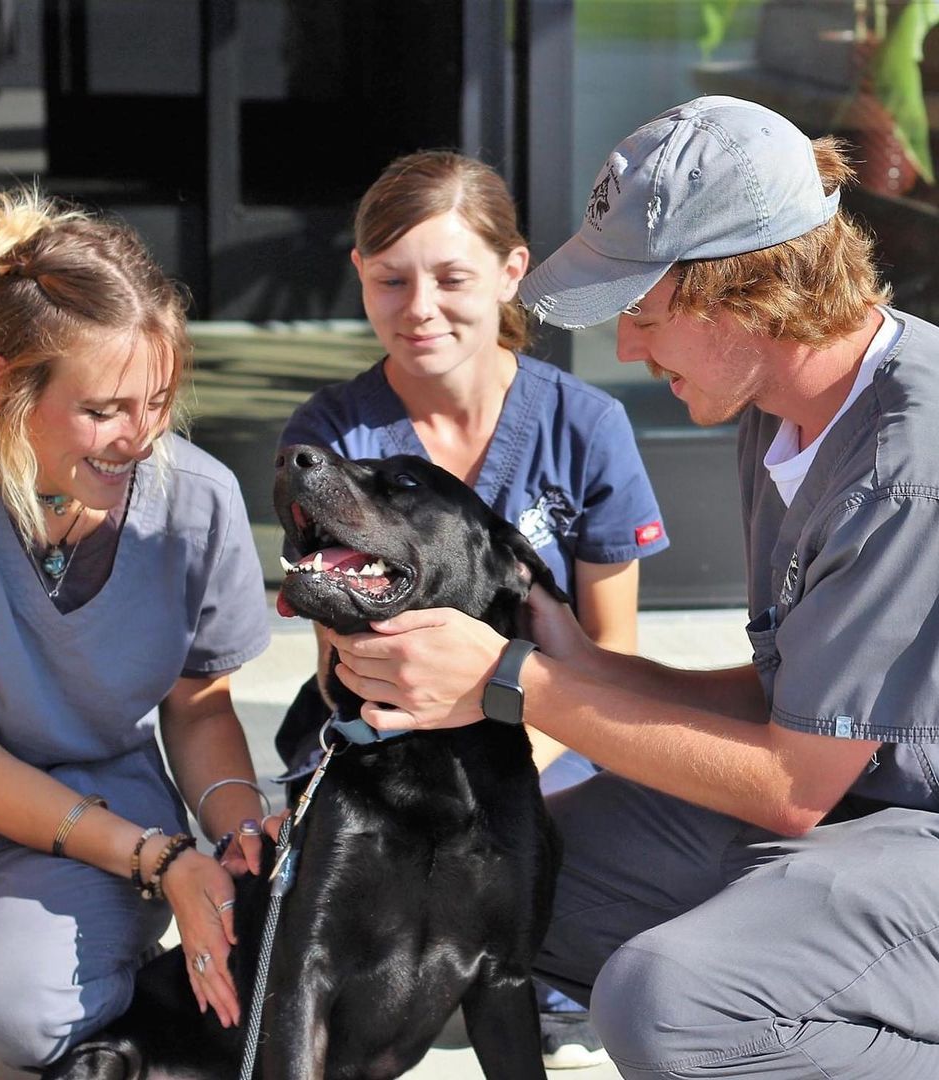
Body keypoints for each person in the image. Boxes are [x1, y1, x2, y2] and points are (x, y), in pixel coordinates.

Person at [326, 95, 939, 1079]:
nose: (625, 351)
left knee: (668, 1001)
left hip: (905, 831)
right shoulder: (779, 408)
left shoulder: (907, 466)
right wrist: (578, 663)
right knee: (510, 881)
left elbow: (793, 784)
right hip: (864, 804)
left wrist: (508, 680)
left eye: (645, 316)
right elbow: (803, 706)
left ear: (748, 296)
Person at [0, 189, 273, 1079]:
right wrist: (162, 860)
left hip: (99, 810)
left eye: (158, 400)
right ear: (2, 383)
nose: (142, 436)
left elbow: (199, 712)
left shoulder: (200, 503)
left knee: (14, 1017)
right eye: (105, 410)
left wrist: (239, 834)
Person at [277, 149, 669, 1069]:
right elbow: (339, 665)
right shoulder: (332, 439)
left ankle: (528, 962)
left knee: (579, 827)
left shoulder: (587, 428)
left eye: (452, 278)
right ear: (360, 280)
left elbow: (608, 651)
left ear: (512, 272)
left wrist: (504, 756)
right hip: (385, 741)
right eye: (391, 279)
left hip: (541, 736)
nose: (420, 308)